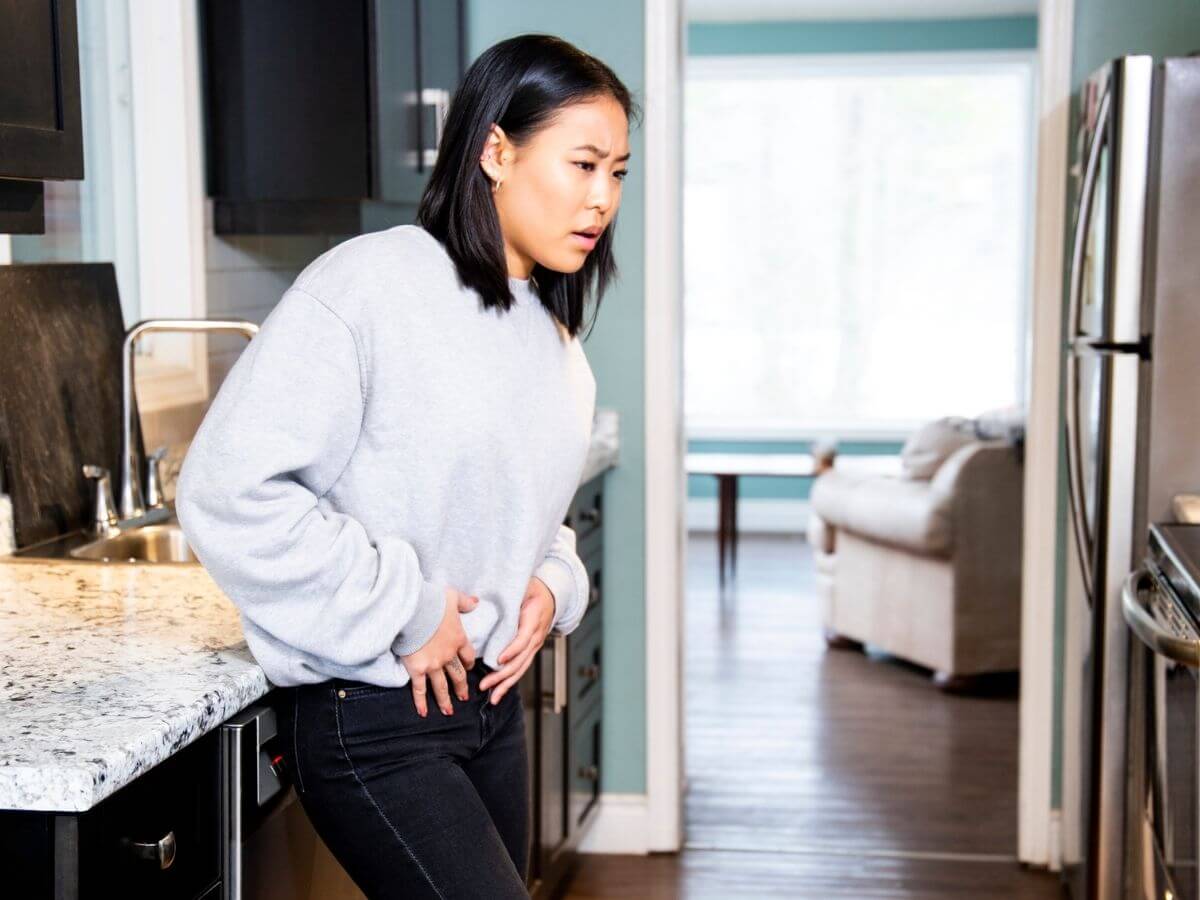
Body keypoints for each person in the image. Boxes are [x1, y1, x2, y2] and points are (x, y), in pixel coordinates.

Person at [175, 33, 637, 900]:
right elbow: (225, 492)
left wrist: (551, 582)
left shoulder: (552, 332)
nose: (602, 197)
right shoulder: (371, 284)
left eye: (617, 172)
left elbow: (527, 512)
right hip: (376, 715)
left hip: (491, 713)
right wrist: (410, 609)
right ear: (496, 149)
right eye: (582, 164)